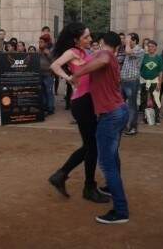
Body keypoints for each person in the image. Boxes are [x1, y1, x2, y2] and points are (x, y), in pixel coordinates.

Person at [71, 31, 130, 224]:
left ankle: (120, 211)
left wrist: (77, 73)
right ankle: (112, 188)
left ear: (103, 43)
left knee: (107, 164)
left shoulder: (107, 55)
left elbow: (103, 59)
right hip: (119, 111)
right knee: (113, 156)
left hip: (111, 115)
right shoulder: (111, 57)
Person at [48, 22, 109, 203]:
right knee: (92, 146)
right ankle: (87, 187)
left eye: (90, 36)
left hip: (88, 101)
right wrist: (68, 78)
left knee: (91, 145)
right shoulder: (73, 52)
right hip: (81, 103)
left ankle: (63, 175)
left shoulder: (84, 53)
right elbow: (55, 65)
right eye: (86, 37)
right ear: (76, 40)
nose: (90, 39)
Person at [120, 33, 145, 136]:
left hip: (132, 81)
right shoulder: (128, 48)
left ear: (134, 40)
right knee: (121, 105)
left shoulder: (139, 50)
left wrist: (127, 42)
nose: (126, 41)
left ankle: (132, 128)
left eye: (129, 39)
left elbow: (128, 52)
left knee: (132, 105)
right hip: (124, 80)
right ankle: (125, 126)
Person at [139, 40, 163, 125]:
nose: (150, 48)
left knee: (156, 100)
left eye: (152, 46)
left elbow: (161, 72)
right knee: (144, 100)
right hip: (143, 81)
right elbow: (139, 69)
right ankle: (145, 118)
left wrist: (159, 84)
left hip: (154, 81)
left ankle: (156, 118)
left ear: (156, 48)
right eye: (149, 46)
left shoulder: (159, 58)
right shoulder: (143, 57)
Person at [39, 35, 55, 116]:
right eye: (39, 42)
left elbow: (54, 62)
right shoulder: (39, 51)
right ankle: (44, 107)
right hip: (40, 74)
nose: (39, 43)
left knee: (49, 92)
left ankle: (50, 108)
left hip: (48, 75)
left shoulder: (50, 51)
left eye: (41, 42)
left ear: (46, 43)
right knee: (42, 91)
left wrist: (48, 54)